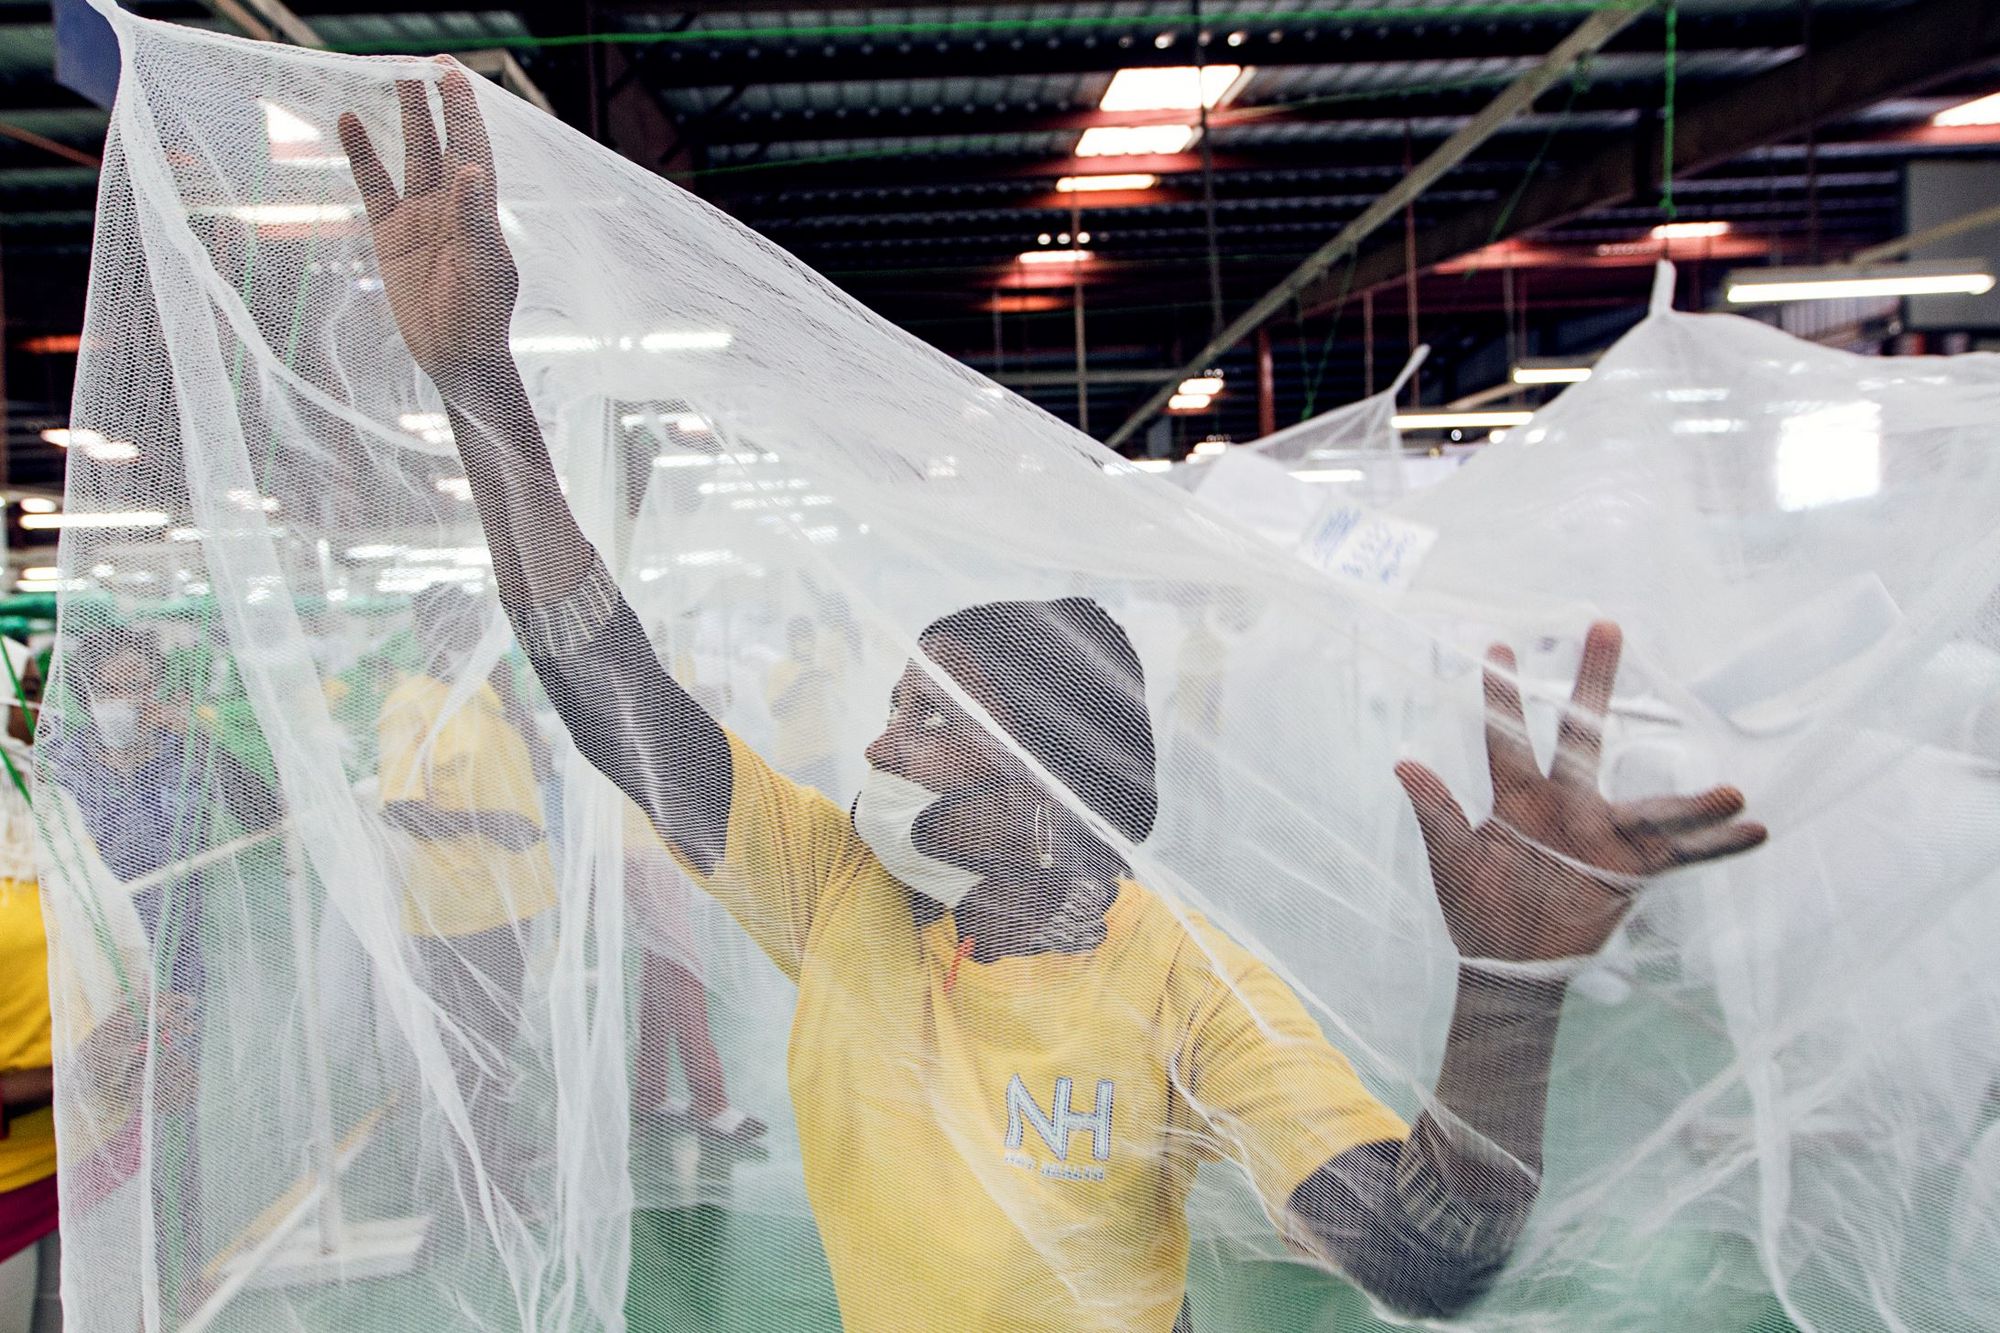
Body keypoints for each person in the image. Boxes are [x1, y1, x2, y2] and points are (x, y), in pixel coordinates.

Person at [339, 70, 1769, 1330]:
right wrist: (477, 383)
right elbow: (610, 696)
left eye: (925, 718)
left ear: (1039, 785)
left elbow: (1419, 1253)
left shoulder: (1183, 987)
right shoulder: (844, 892)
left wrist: (1509, 995)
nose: (876, 743)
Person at [376, 585, 556, 1204]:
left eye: (474, 626)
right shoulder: (411, 705)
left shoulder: (489, 696)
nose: (466, 638)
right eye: (451, 627)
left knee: (500, 1033)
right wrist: (489, 824)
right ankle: (483, 1181)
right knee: (469, 1045)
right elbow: (401, 809)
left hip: (514, 897)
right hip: (454, 904)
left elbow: (542, 771)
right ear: (426, 633)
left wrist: (516, 711)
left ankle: (496, 1145)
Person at [624, 798, 766, 1146]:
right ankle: (710, 1101)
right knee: (683, 967)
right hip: (644, 844)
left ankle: (650, 1091)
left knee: (662, 964)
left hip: (651, 839)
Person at [0, 641, 58, 1333]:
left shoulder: (40, 815)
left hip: (75, 1153)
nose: (42, 709)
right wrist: (65, 1074)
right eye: (29, 689)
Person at [764, 617, 838, 794]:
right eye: (800, 638)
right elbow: (776, 710)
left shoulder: (822, 666)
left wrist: (825, 677)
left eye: (808, 637)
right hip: (793, 757)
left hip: (822, 752)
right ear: (791, 641)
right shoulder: (781, 669)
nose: (805, 643)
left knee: (829, 806)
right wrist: (801, 681)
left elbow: (841, 700)